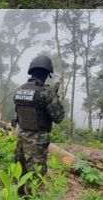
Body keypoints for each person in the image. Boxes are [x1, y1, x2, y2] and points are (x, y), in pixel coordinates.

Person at [13, 55, 65, 186]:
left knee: (19, 174)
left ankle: (17, 197)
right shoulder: (46, 93)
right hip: (37, 141)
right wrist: (54, 98)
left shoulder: (19, 90)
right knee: (35, 178)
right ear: (47, 74)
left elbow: (18, 113)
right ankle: (30, 199)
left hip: (21, 136)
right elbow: (58, 117)